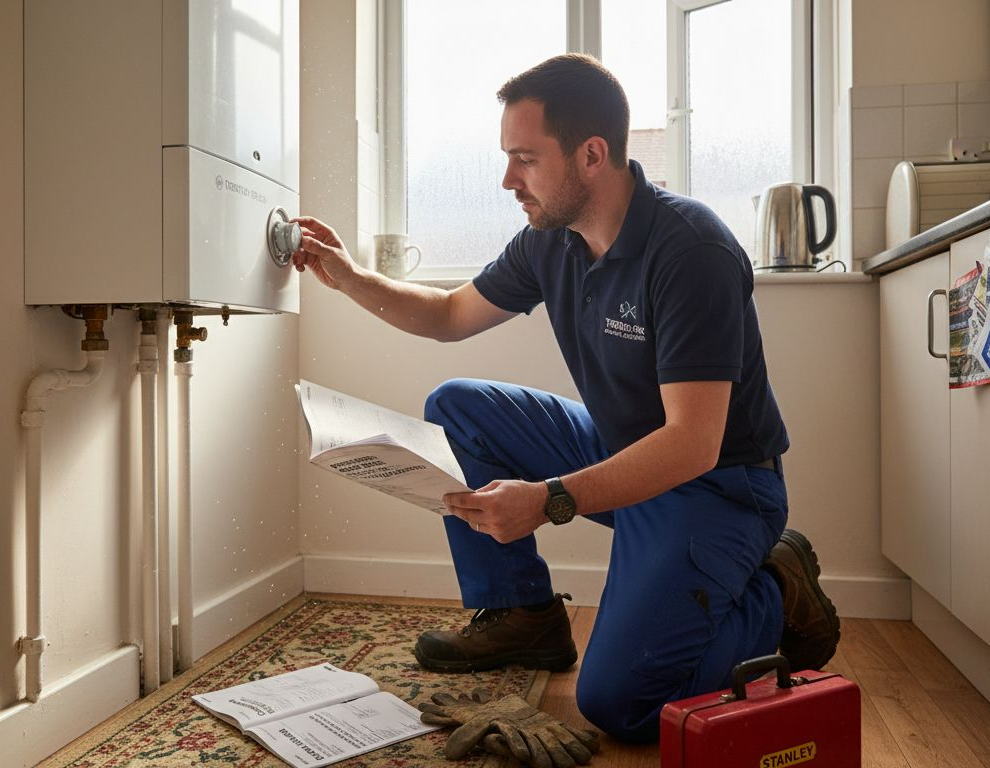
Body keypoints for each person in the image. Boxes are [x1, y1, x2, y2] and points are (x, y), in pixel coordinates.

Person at [289, 53, 839, 743]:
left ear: (591, 155)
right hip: (626, 451)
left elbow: (694, 442)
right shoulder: (551, 242)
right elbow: (450, 315)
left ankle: (774, 596)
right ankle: (525, 616)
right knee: (458, 408)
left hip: (719, 487)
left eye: (524, 158)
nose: (507, 179)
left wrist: (549, 499)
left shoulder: (690, 251)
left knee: (620, 703)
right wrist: (347, 276)